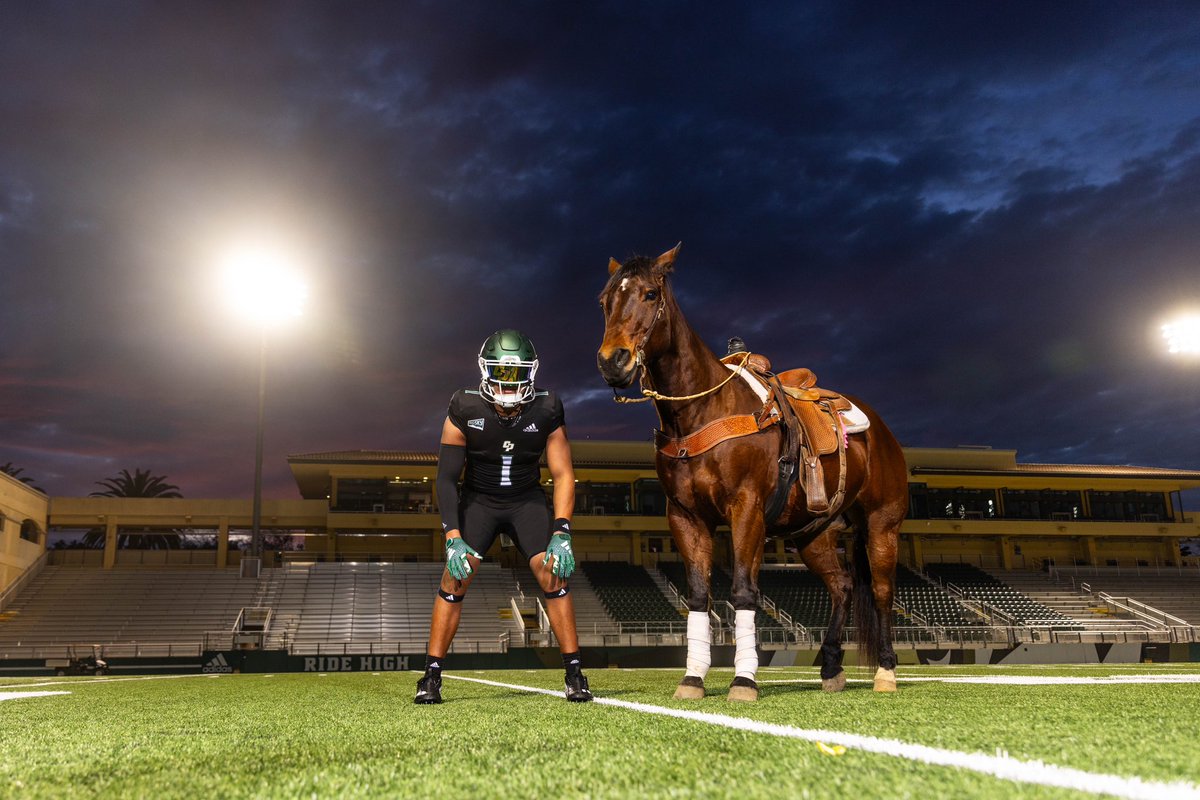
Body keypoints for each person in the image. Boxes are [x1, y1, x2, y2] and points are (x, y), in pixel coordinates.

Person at [414, 329, 593, 704]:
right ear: (485, 369)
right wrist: (452, 537)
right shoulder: (463, 406)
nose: (509, 382)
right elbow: (446, 479)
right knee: (455, 574)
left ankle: (575, 672)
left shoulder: (548, 407)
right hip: (479, 500)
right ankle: (430, 675)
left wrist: (562, 531)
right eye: (501, 371)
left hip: (526, 499)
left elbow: (563, 475)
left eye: (517, 372)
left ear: (531, 372)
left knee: (553, 568)